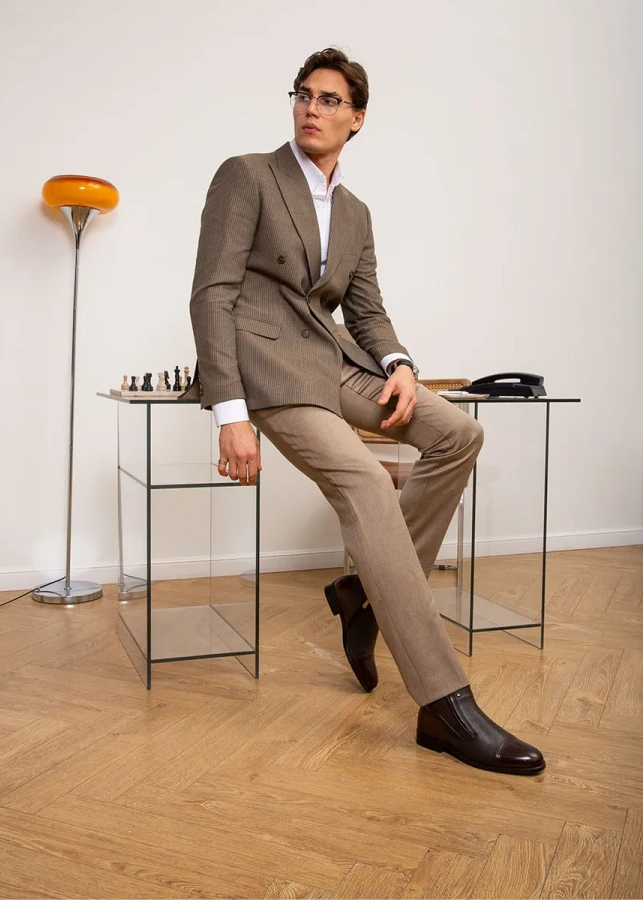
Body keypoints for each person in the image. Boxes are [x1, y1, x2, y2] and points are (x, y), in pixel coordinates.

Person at [183, 48, 544, 776]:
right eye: (303, 95)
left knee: (458, 433)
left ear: (357, 119)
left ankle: (363, 595)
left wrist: (399, 364)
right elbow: (211, 292)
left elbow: (366, 308)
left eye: (329, 100)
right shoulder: (247, 175)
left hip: (334, 359)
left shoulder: (355, 212)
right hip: (268, 369)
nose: (311, 109)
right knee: (366, 483)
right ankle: (443, 703)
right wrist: (228, 410)